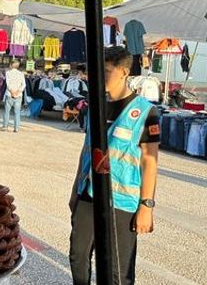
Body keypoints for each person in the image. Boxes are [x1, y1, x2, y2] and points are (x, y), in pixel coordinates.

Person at [69, 46, 159, 285]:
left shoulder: (146, 112)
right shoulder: (95, 105)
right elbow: (86, 150)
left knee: (118, 271)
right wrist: (75, 191)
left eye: (106, 71)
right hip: (89, 195)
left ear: (124, 72)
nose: (99, 76)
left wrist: (146, 206)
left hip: (122, 202)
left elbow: (150, 163)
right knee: (78, 258)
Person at [0, 59, 25, 133]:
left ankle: (5, 126)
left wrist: (12, 92)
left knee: (7, 111)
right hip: (19, 95)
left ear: (11, 65)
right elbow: (23, 85)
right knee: (17, 112)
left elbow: (8, 84)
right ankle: (16, 128)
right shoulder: (21, 74)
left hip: (10, 94)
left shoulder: (8, 73)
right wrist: (18, 91)